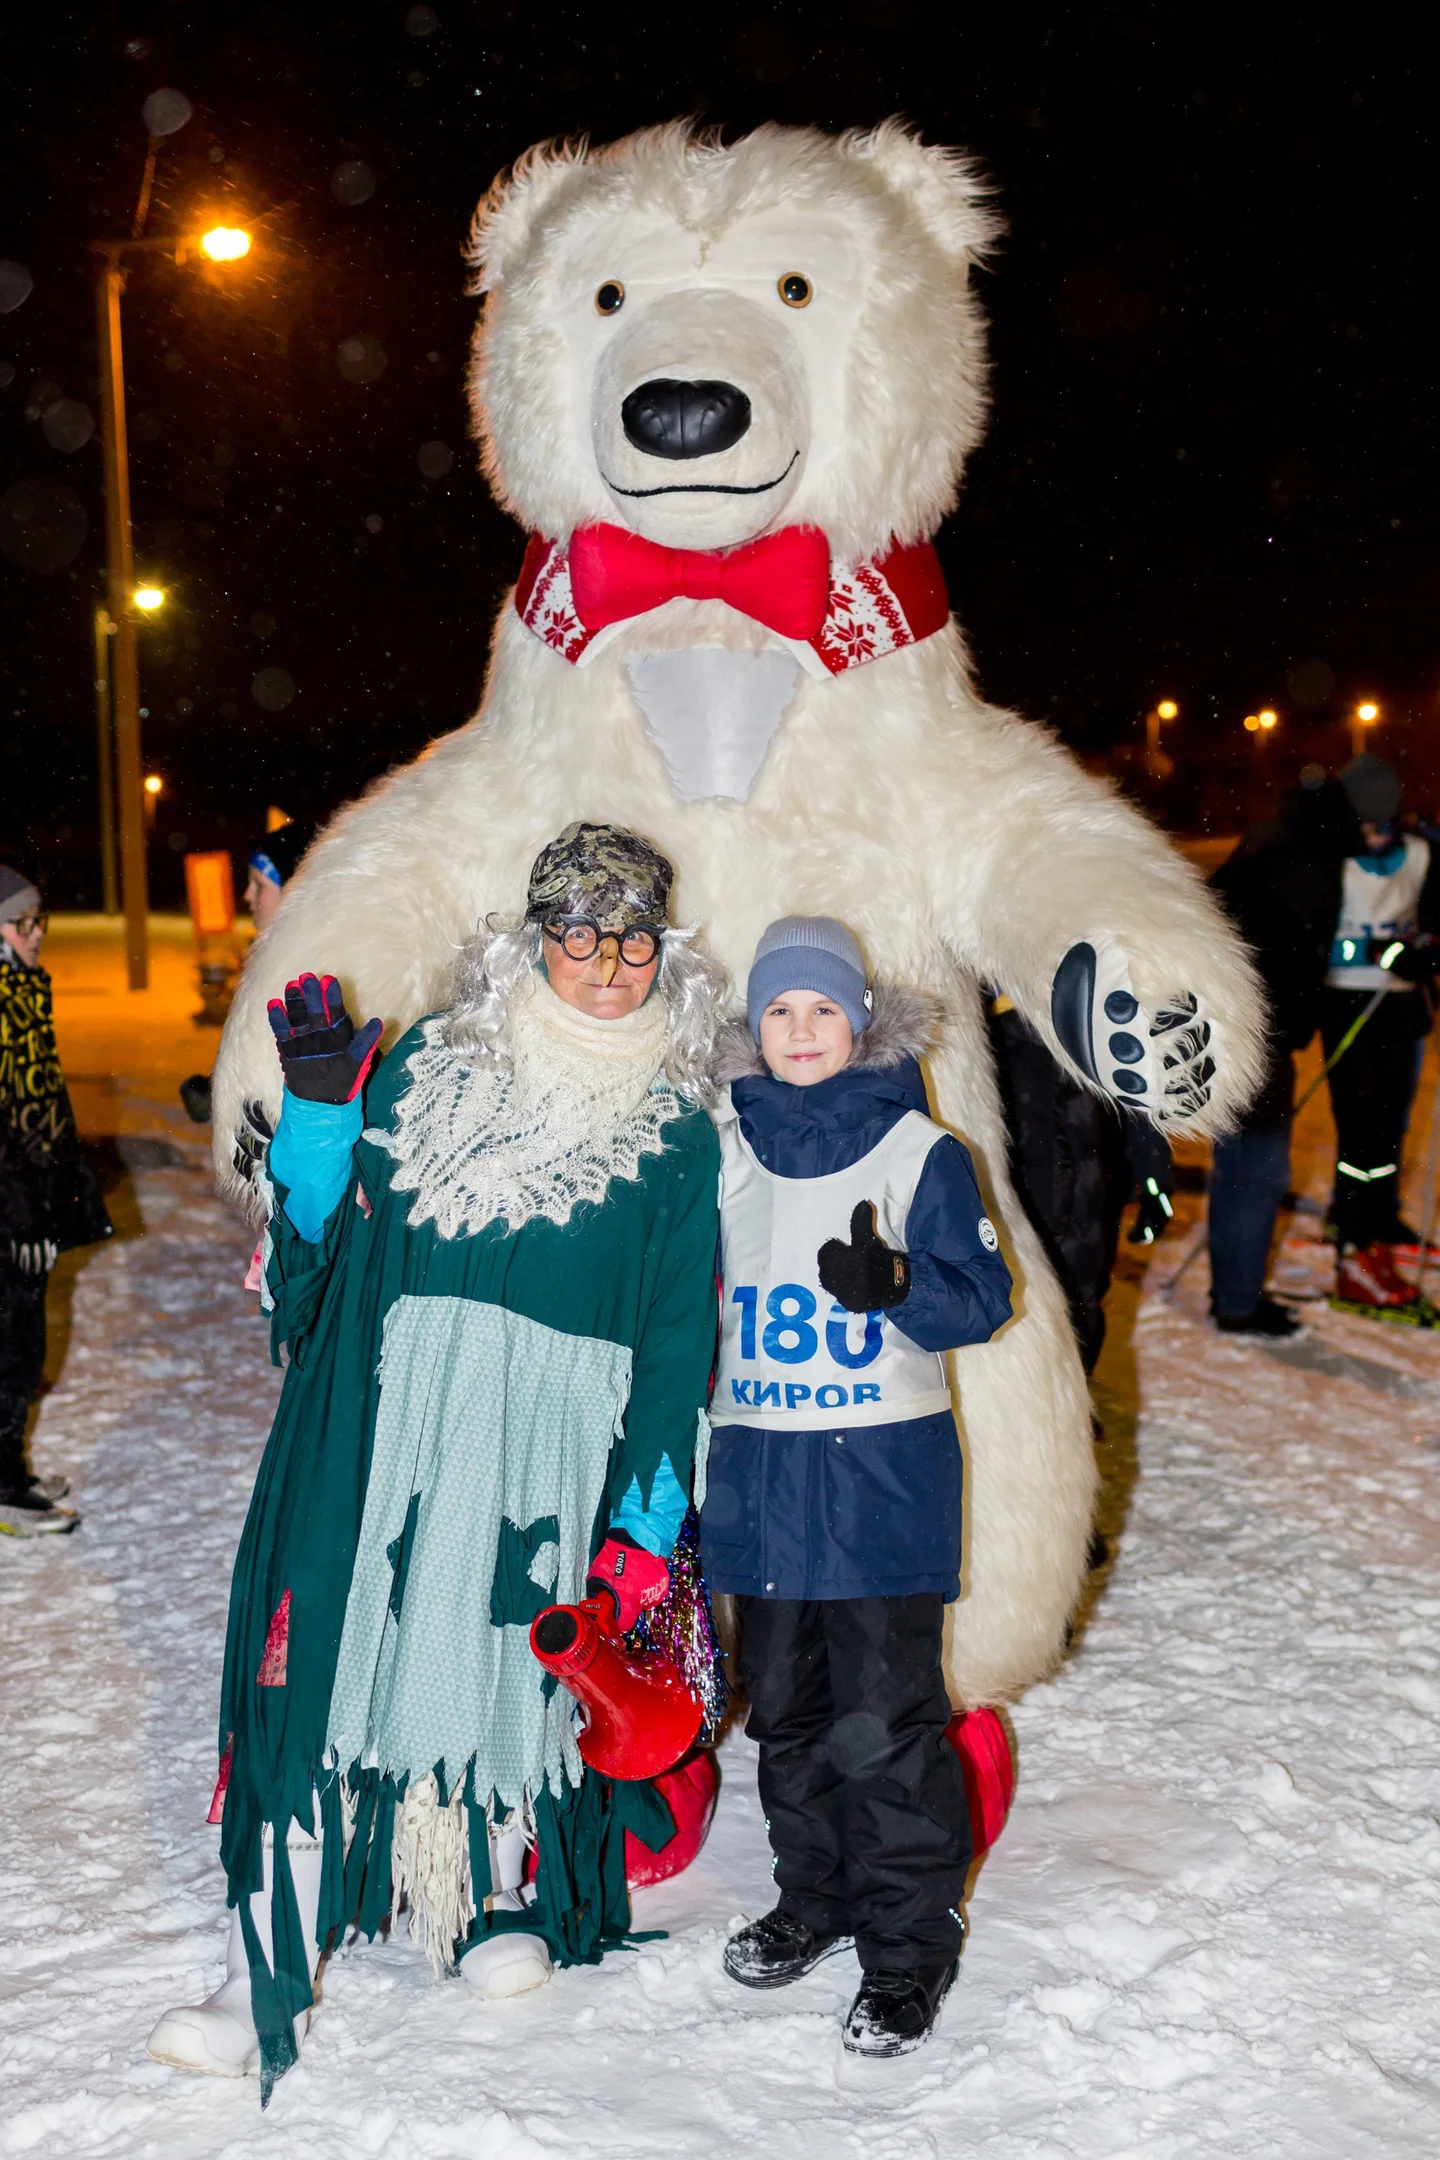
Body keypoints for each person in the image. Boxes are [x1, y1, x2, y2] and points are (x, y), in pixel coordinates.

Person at [147, 822, 724, 2094]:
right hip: (391, 1423)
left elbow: (678, 1343)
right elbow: (313, 1263)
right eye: (578, 935)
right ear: (535, 941)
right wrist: (312, 1124)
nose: (608, 965)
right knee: (336, 1669)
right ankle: (267, 1963)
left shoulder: (680, 1134)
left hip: (550, 1447)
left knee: (502, 1660)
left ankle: (488, 1893)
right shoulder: (422, 1072)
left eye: (633, 940)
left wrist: (642, 1523)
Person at [700, 917, 1013, 2059]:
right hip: (764, 1485)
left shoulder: (921, 1152)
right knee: (786, 1716)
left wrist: (898, 1282)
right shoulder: (719, 1142)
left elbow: (980, 1301)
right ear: (754, 1026)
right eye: (779, 1010)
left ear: (861, 1019)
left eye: (822, 1008)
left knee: (885, 1730)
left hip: (881, 1492)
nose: (799, 1030)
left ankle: (906, 1951)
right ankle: (816, 1900)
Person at [1207, 771, 1364, 1334]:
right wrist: (1299, 1017)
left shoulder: (1269, 842)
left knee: (1240, 1167)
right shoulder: (1306, 862)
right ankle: (1238, 1302)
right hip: (1258, 1034)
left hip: (1233, 1024)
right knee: (1258, 1171)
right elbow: (1294, 953)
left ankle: (1232, 1292)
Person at [0, 867, 112, 1537]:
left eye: (41, 919)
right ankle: (5, 1484)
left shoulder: (21, 990)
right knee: (12, 1346)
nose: (39, 934)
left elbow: (41, 1110)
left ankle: (5, 1464)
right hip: (9, 1210)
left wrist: (63, 1189)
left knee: (23, 1339)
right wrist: (21, 1214)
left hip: (25, 1202)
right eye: (24, 922)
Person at [986, 993, 1174, 1373]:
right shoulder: (979, 1004)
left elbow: (1136, 1074)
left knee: (1078, 1303)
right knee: (1022, 1312)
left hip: (1090, 1180)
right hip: (1011, 1183)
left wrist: (1152, 1168)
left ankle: (1069, 1406)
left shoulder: (1095, 987)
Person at [1320, 756, 1440, 1310]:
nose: (1373, 836)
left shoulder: (1418, 852)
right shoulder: (1329, 862)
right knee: (1360, 1120)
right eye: (1362, 825)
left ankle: (1380, 1211)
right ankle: (1353, 1226)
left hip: (1400, 1006)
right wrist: (1370, 951)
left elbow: (1427, 921)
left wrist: (1420, 953)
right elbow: (1313, 943)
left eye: (1381, 825)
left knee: (1394, 1118)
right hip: (1347, 1002)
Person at [181, 823, 316, 1124]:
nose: (246, 895)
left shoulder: (307, 972)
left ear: (295, 889)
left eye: (259, 884)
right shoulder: (276, 960)